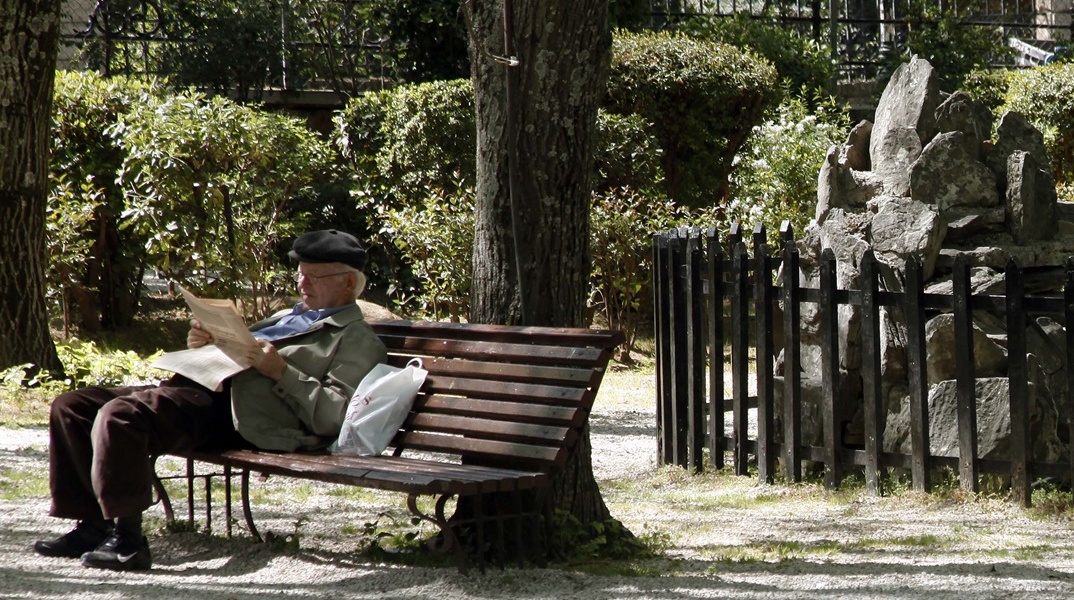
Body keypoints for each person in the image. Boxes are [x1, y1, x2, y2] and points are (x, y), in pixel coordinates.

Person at [32, 229, 388, 571]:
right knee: (73, 405)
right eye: (300, 274)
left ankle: (127, 542)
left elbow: (332, 416)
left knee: (122, 415)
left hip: (242, 418)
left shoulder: (357, 340)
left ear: (348, 282)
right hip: (201, 392)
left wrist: (280, 370)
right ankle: (93, 526)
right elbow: (242, 351)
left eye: (315, 276)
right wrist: (208, 343)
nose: (302, 284)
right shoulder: (287, 317)